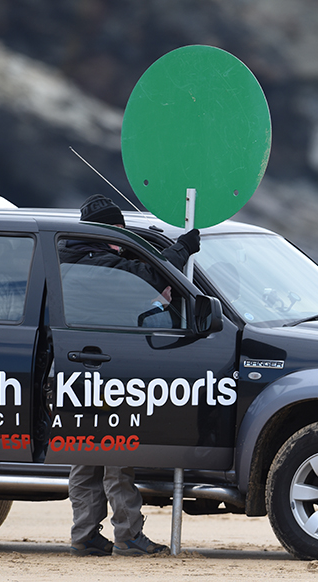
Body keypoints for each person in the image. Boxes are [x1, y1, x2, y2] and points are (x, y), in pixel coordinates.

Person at [66, 194, 201, 556]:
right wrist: (181, 250)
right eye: (121, 232)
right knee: (116, 456)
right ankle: (127, 536)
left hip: (76, 372)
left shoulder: (67, 257)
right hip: (109, 369)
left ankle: (84, 535)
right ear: (112, 231)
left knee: (85, 458)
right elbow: (147, 275)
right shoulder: (99, 263)